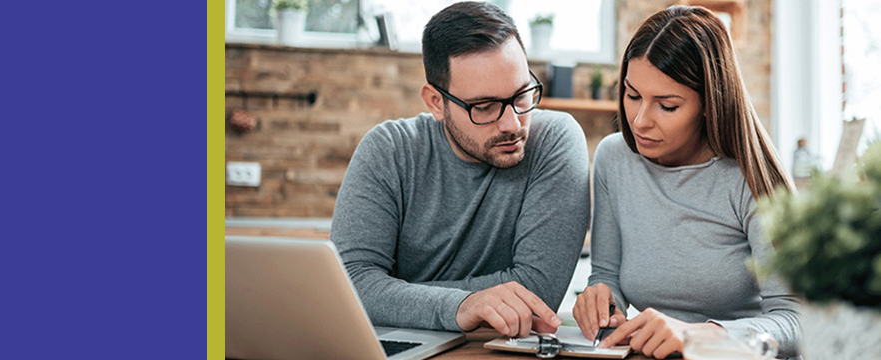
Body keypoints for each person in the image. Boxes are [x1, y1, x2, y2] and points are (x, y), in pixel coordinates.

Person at [330, 1, 589, 338]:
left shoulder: (555, 141)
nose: (513, 124)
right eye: (484, 107)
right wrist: (460, 305)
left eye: (522, 95)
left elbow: (537, 291)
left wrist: (397, 295)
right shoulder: (389, 150)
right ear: (436, 102)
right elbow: (351, 284)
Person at [575, 6, 801, 358]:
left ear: (710, 104)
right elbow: (607, 275)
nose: (639, 121)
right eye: (632, 95)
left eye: (666, 106)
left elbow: (796, 319)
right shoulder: (614, 159)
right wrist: (602, 300)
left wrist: (701, 336)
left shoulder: (752, 178)